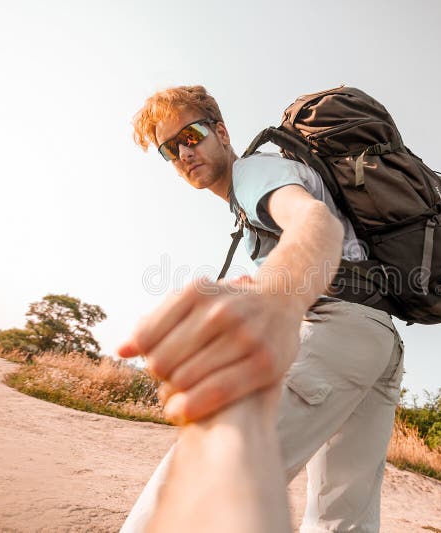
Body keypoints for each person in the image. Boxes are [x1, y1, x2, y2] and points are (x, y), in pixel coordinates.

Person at [119, 85, 405, 533]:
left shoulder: (254, 174)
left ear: (221, 131)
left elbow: (315, 222)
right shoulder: (257, 187)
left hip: (335, 327)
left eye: (191, 135)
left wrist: (278, 298)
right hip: (375, 338)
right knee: (342, 523)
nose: (183, 153)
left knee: (193, 496)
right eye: (169, 150)